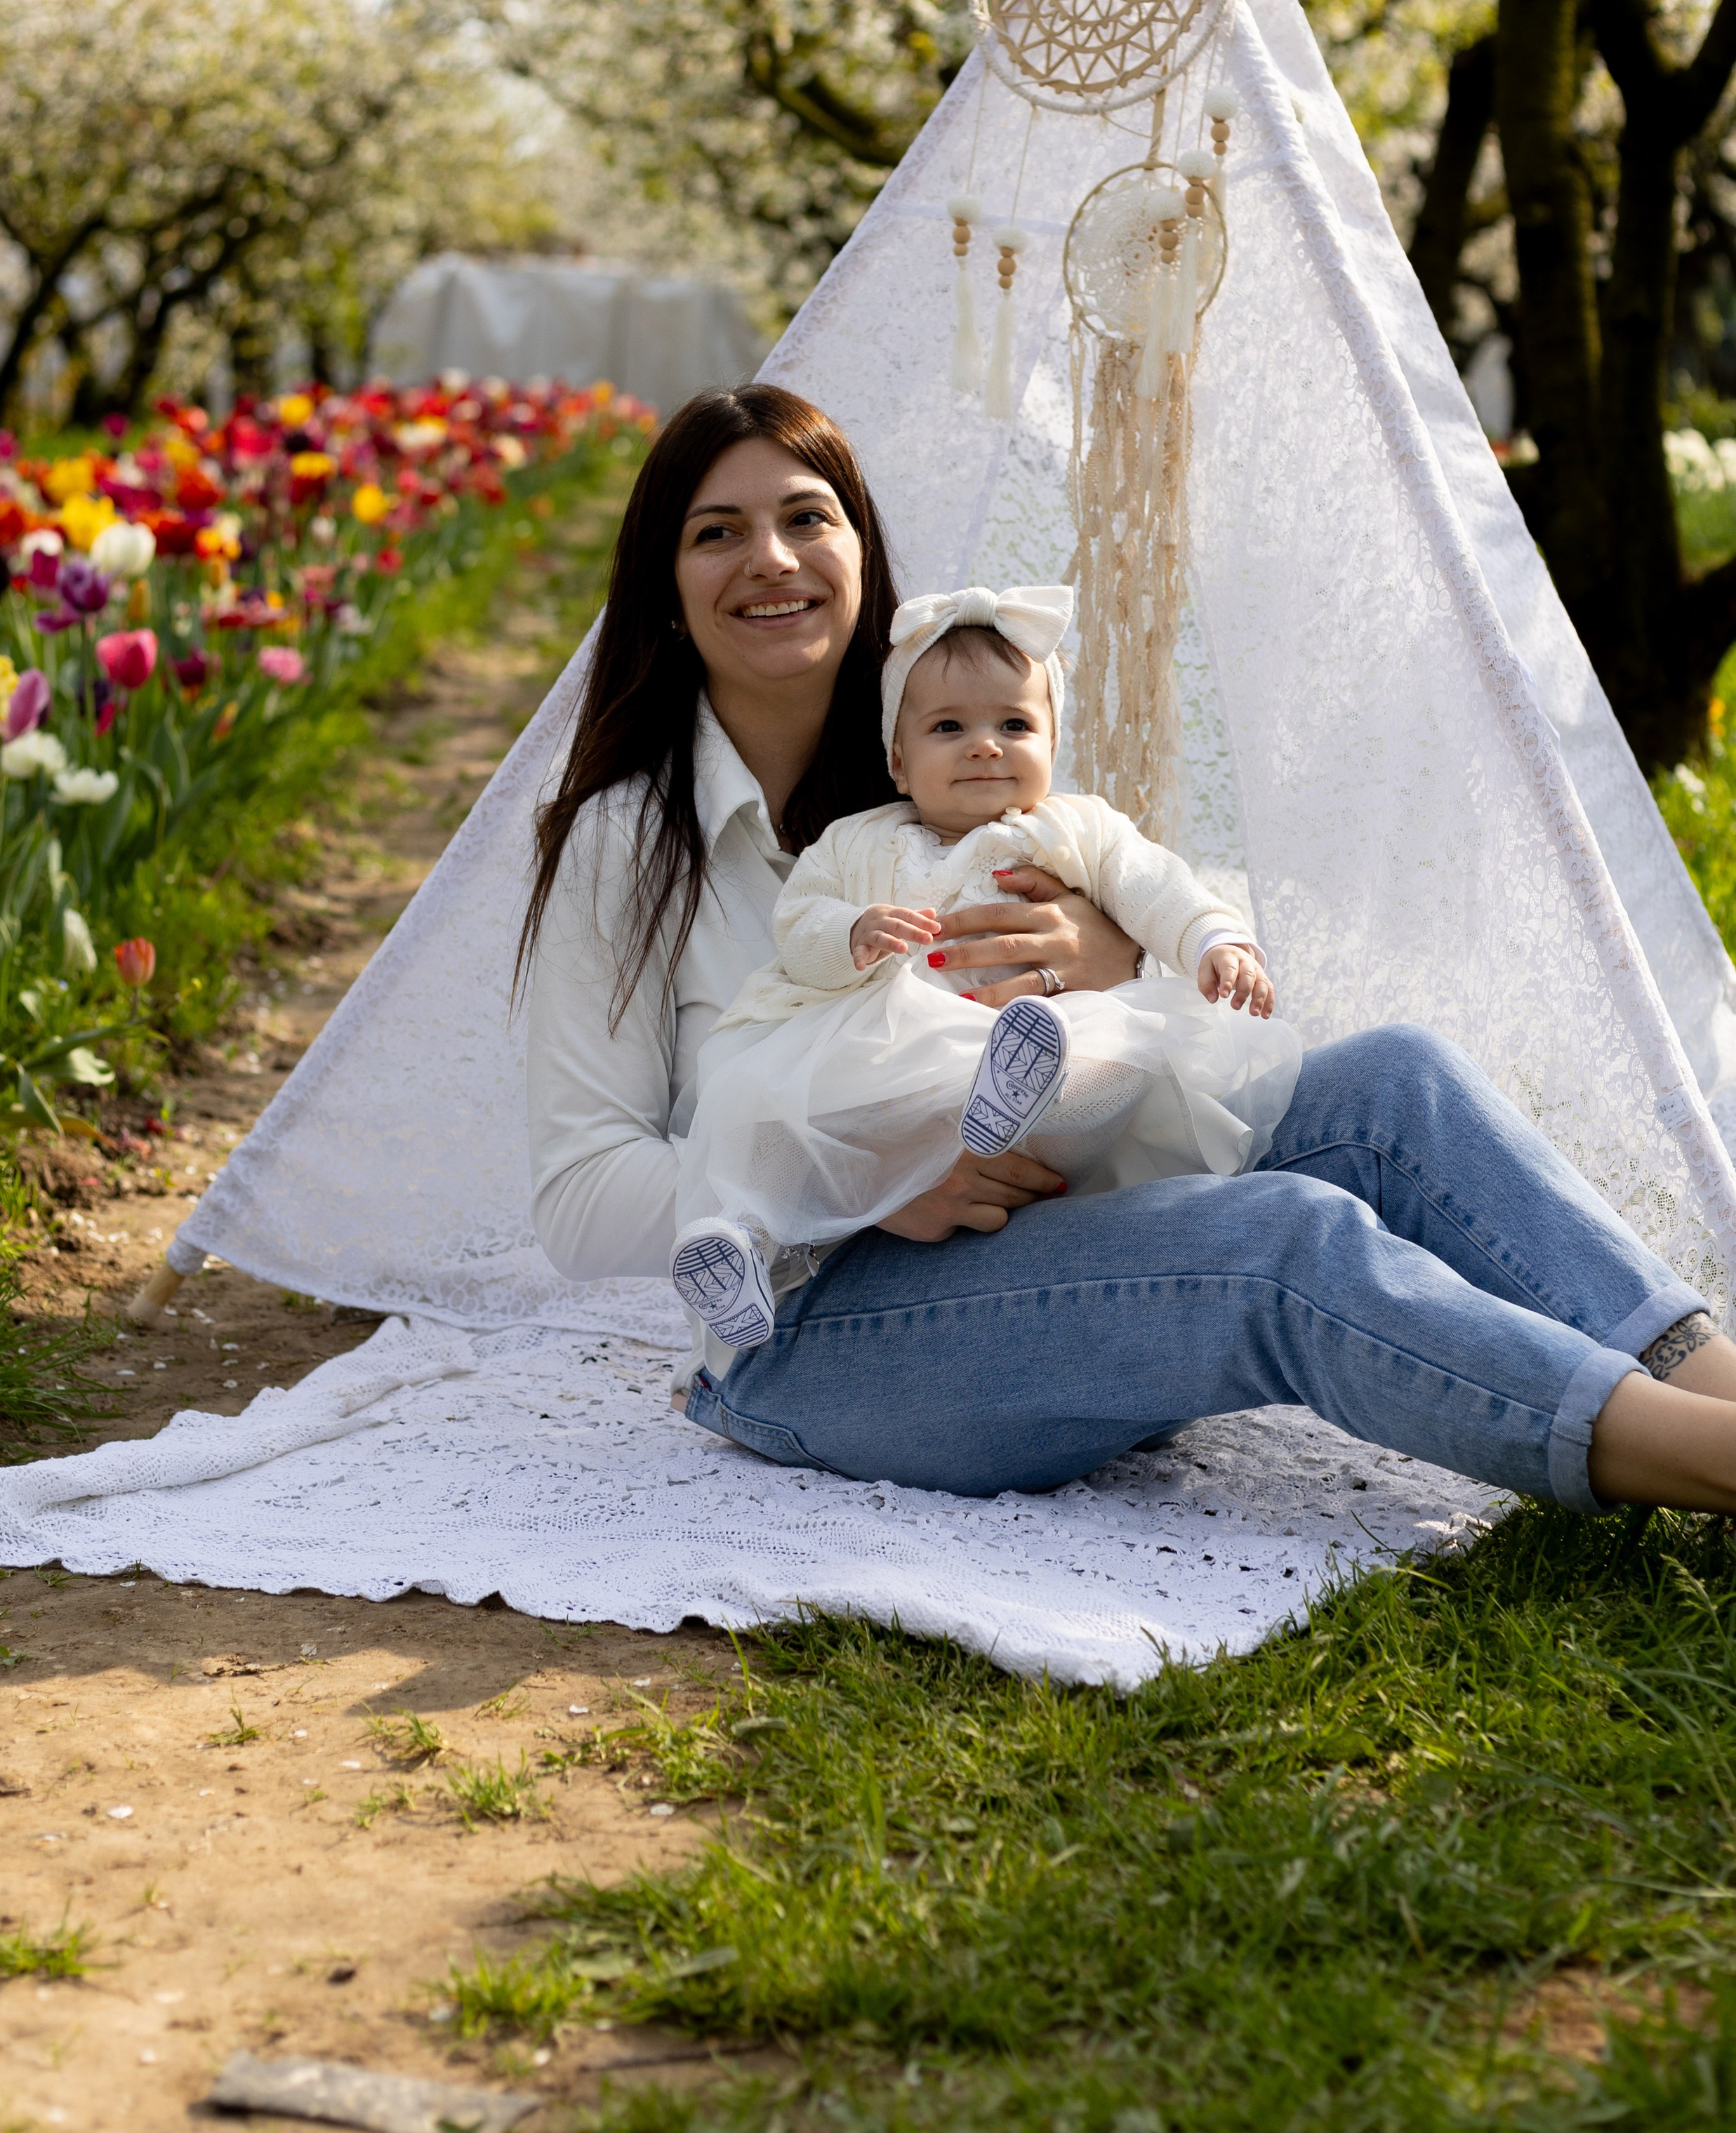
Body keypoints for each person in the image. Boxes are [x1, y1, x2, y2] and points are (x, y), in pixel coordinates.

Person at [524, 381, 1736, 1515]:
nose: (772, 559)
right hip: (813, 1332)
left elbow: (1124, 925)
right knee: (1278, 1245)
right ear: (664, 586)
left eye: (806, 517)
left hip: (1052, 1217)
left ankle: (1706, 1372)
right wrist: (854, 1178)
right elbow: (580, 1197)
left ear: (861, 552)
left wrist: (1104, 956)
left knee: (1392, 1086)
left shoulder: (948, 758)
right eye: (716, 532)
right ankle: (1702, 1462)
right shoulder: (624, 843)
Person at [668, 581, 1301, 1349]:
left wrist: (1213, 942)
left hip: (1027, 1039)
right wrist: (853, 930)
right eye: (948, 726)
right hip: (884, 1053)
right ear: (898, 761)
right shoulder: (854, 841)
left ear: (1052, 745)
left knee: (1124, 1044)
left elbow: (1155, 886)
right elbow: (797, 924)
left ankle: (1022, 1093)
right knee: (765, 1103)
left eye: (1014, 723)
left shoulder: (1076, 828)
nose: (984, 744)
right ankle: (739, 1241)